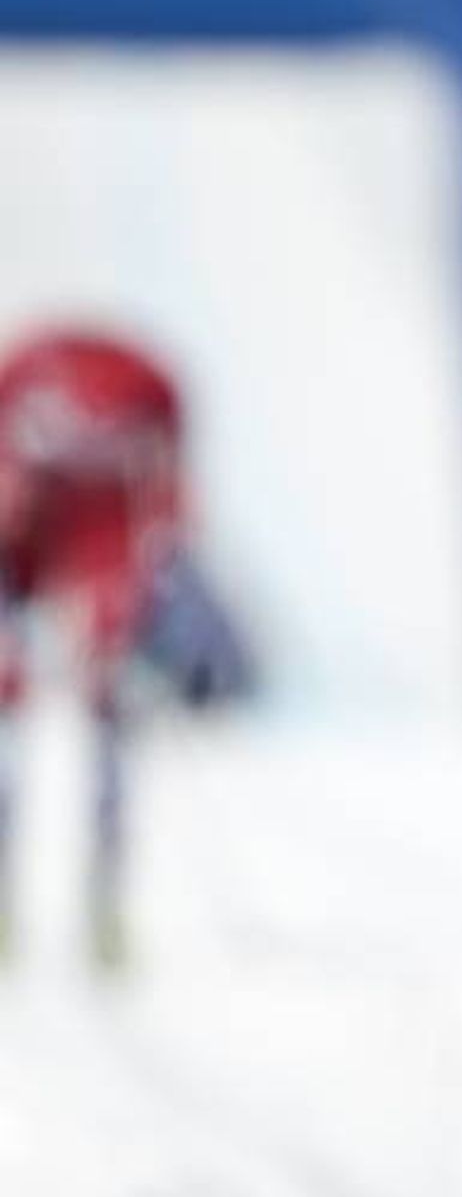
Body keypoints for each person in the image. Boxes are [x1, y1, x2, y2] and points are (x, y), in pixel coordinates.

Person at [0, 327, 248, 967]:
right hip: (34, 551)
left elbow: (166, 515)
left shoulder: (139, 399)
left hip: (103, 558)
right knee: (17, 721)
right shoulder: (32, 387)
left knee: (109, 714)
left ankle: (105, 907)